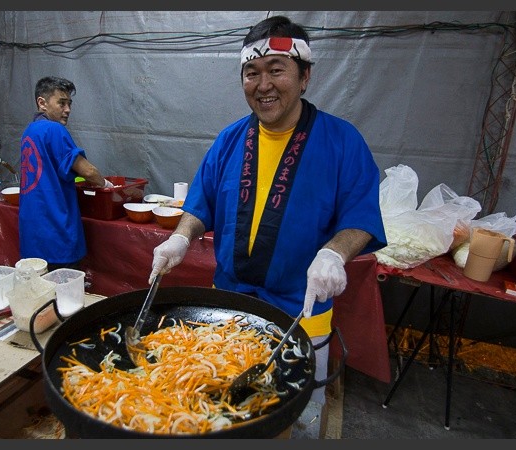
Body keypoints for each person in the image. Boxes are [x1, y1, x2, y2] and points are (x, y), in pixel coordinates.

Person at [148, 16, 387, 418]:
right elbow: (201, 203)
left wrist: (334, 253)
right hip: (228, 309)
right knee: (219, 408)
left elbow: (361, 216)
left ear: (305, 77)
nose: (263, 85)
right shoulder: (230, 139)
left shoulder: (342, 141)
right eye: (252, 73)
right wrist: (181, 237)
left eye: (277, 70)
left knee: (298, 416)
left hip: (301, 316)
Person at [18, 76, 113, 272]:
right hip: (56, 229)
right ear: (42, 103)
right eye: (61, 103)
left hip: (32, 230)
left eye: (69, 103)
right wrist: (106, 184)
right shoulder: (54, 130)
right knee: (64, 285)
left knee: (38, 285)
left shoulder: (29, 131)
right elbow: (87, 171)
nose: (68, 109)